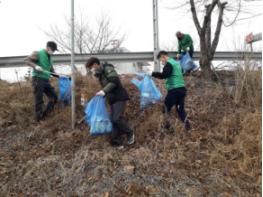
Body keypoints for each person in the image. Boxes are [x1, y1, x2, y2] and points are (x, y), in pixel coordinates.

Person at [85, 57, 135, 147]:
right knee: (112, 121)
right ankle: (117, 142)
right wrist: (102, 94)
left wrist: (104, 91)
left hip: (119, 97)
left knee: (116, 118)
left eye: (91, 67)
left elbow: (114, 81)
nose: (92, 70)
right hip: (112, 99)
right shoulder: (100, 75)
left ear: (95, 64)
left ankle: (130, 132)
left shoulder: (108, 69)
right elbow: (107, 86)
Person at [152, 50, 191, 132]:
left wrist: (153, 74)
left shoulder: (169, 64)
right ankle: (188, 128)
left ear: (164, 57)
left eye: (161, 60)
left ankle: (167, 127)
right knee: (180, 109)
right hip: (182, 90)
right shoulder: (176, 63)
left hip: (174, 90)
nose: (162, 62)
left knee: (166, 108)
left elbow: (164, 75)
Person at [24, 41, 58, 122]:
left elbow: (52, 71)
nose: (53, 52)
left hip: (46, 80)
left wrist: (61, 77)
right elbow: (26, 60)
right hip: (37, 79)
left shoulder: (49, 58)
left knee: (54, 97)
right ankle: (39, 119)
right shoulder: (38, 53)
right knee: (39, 100)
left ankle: (45, 115)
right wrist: (36, 66)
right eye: (53, 50)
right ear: (48, 48)